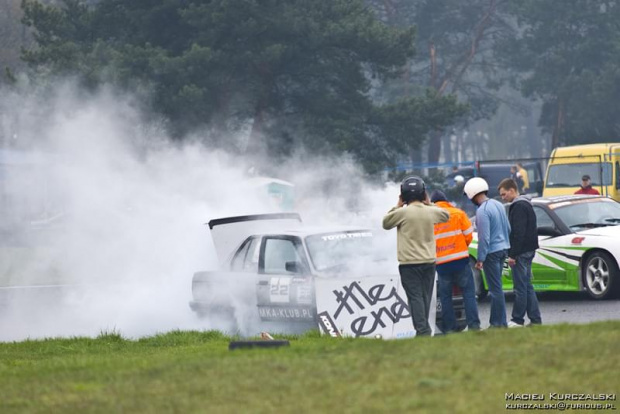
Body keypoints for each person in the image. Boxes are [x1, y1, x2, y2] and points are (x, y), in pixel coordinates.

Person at [383, 176, 450, 337]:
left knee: (415, 298)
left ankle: (423, 330)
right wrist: (429, 203)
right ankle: (423, 328)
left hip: (409, 263)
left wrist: (397, 205)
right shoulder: (430, 211)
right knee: (424, 297)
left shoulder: (402, 213)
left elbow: (385, 223)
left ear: (403, 195)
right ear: (423, 193)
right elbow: (445, 215)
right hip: (429, 262)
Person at [430, 190, 481, 332]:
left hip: (441, 264)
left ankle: (450, 329)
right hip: (460, 261)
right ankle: (474, 326)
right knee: (468, 294)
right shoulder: (458, 213)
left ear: (434, 204)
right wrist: (461, 246)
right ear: (446, 200)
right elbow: (469, 235)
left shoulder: (431, 218)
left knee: (446, 297)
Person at [463, 177, 511, 328]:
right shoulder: (498, 204)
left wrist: (480, 258)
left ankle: (498, 324)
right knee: (498, 289)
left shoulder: (482, 211)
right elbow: (508, 228)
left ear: (472, 193)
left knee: (495, 290)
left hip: (491, 253)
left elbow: (484, 238)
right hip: (504, 249)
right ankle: (500, 322)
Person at [497, 179, 543, 328]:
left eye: (504, 194)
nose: (503, 198)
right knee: (527, 286)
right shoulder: (527, 203)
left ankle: (517, 319)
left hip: (521, 253)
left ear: (512, 190)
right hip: (529, 250)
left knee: (520, 288)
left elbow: (518, 233)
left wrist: (512, 255)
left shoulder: (518, 207)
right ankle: (535, 320)